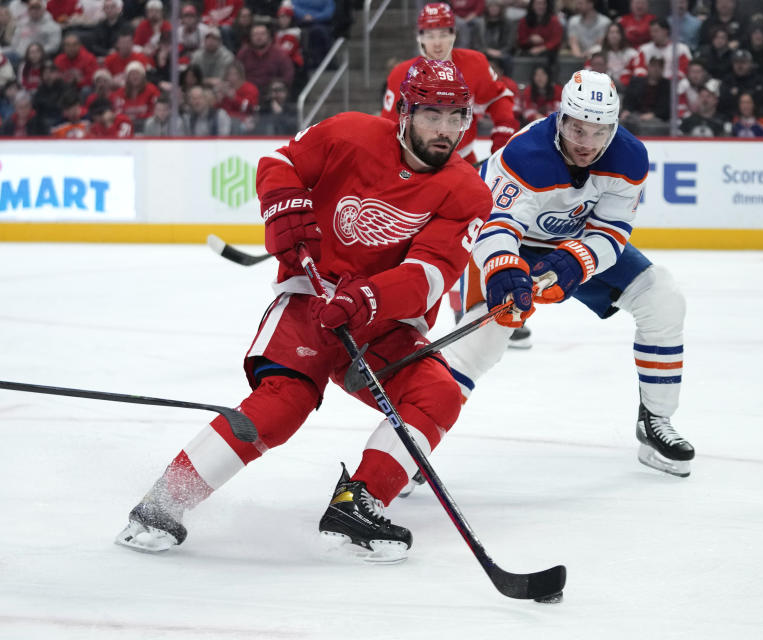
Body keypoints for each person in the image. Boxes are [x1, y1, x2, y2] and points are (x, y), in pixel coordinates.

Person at [115, 59, 493, 561]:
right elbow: (280, 162)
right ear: (403, 111)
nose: (445, 131)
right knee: (282, 404)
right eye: (432, 116)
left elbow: (430, 274)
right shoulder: (350, 133)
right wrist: (283, 208)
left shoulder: (467, 191)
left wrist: (369, 299)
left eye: (456, 118)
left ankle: (356, 505)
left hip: (382, 322)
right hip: (310, 301)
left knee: (438, 393)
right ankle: (162, 503)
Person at [441, 69, 696, 479]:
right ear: (561, 119)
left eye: (599, 132)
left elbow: (611, 230)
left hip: (572, 244)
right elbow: (495, 226)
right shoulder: (525, 154)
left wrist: (578, 260)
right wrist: (505, 269)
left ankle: (656, 421)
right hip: (505, 239)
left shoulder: (630, 156)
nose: (586, 144)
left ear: (613, 127)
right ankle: (415, 435)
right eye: (578, 129)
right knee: (482, 338)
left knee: (662, 296)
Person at [382, 3, 519, 165]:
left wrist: (503, 133)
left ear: (453, 34)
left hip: (463, 161)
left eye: (442, 34)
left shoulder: (475, 63)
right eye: (430, 36)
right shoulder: (401, 73)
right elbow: (389, 127)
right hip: (416, 163)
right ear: (420, 37)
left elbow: (498, 99)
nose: (437, 43)